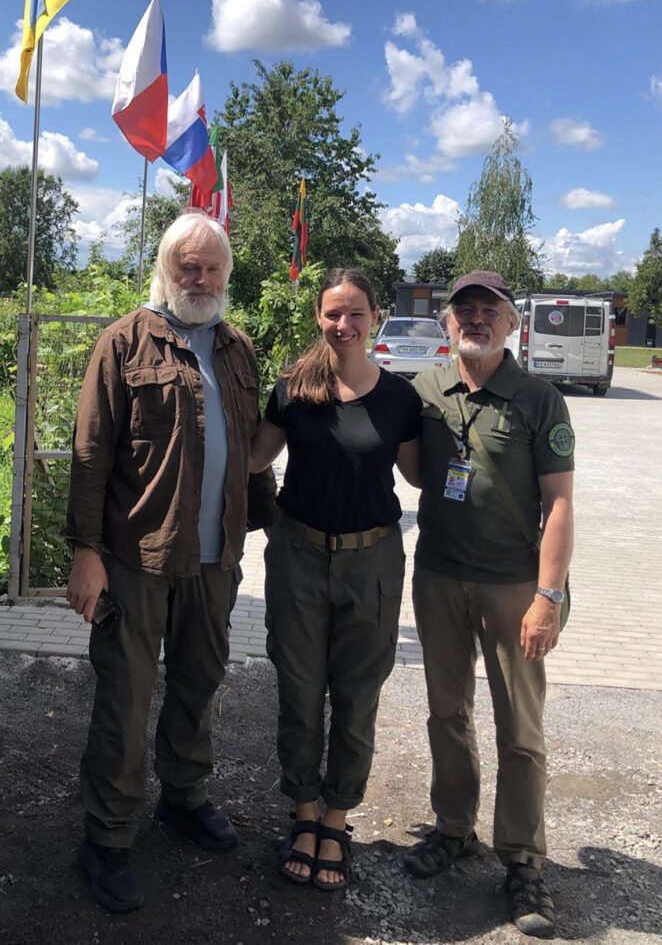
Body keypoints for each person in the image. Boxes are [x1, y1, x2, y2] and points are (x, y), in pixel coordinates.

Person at [64, 212, 276, 913]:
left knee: (198, 682)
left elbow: (248, 449)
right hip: (135, 557)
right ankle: (109, 835)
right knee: (125, 698)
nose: (200, 277)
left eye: (212, 267)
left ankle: (183, 796)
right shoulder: (124, 342)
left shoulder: (237, 347)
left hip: (214, 560)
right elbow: (92, 455)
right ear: (165, 266)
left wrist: (265, 516)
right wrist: (86, 553)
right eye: (188, 265)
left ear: (225, 274)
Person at [405, 271, 574, 939]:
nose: (475, 320)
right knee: (447, 712)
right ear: (447, 325)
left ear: (512, 325)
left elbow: (559, 503)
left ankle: (524, 859)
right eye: (463, 311)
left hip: (512, 587)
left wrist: (548, 597)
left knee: (520, 729)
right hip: (440, 578)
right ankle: (453, 829)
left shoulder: (539, 397)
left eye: (489, 311)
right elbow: (415, 470)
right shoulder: (424, 390)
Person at [249, 268, 421, 891]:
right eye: (332, 314)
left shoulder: (402, 399)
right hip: (296, 556)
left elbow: (421, 477)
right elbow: (253, 458)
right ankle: (301, 815)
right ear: (318, 317)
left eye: (354, 313)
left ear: (375, 315)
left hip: (373, 561)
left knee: (356, 696)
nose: (342, 325)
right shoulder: (294, 388)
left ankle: (338, 818)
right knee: (298, 689)